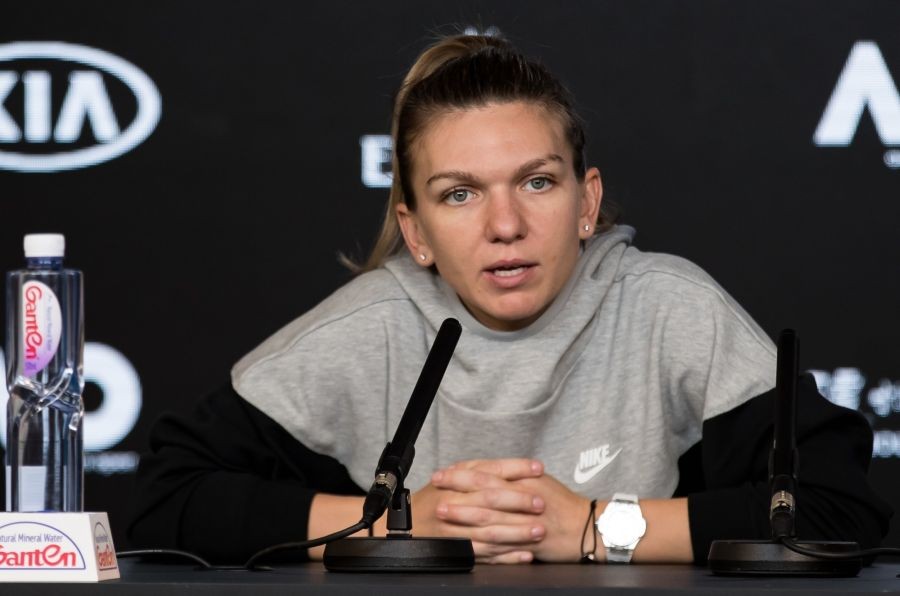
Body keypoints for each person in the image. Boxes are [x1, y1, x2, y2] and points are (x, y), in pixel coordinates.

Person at [127, 34, 890, 565]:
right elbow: (162, 503)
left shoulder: (668, 309)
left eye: (537, 182)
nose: (505, 226)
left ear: (587, 204)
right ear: (415, 232)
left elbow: (837, 511)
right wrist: (399, 525)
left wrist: (594, 528)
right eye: (459, 194)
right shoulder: (370, 327)